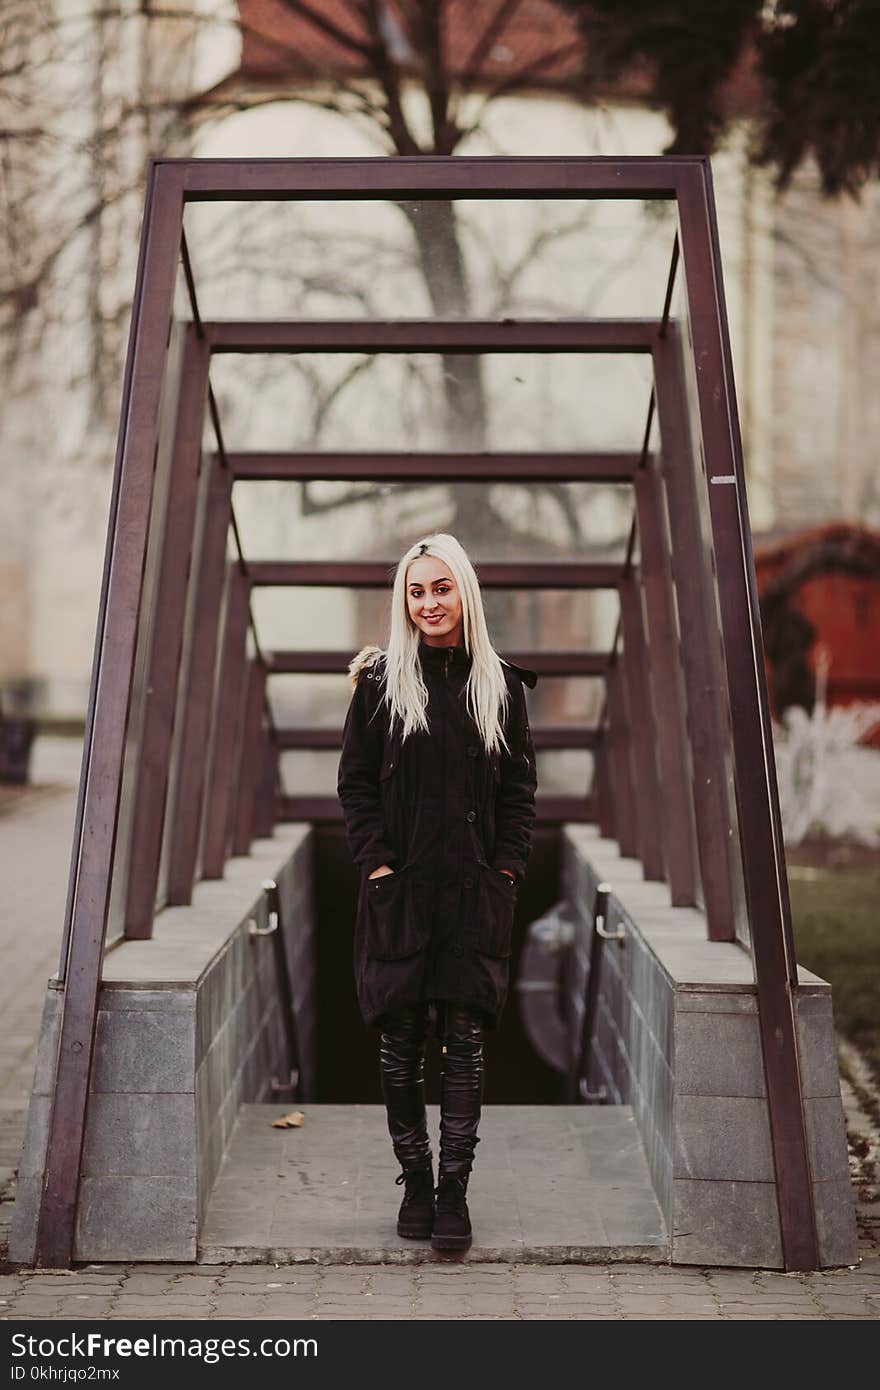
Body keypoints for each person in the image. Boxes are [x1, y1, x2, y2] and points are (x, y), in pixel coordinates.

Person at [336, 532, 538, 1252]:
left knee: (465, 1046)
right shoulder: (382, 685)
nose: (428, 603)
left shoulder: (502, 687)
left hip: (473, 894)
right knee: (399, 1044)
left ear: (465, 593)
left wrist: (507, 872)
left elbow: (519, 794)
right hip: (401, 894)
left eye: (441, 588)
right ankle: (415, 1182)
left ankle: (454, 1194)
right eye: (417, 591)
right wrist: (379, 868)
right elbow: (355, 788)